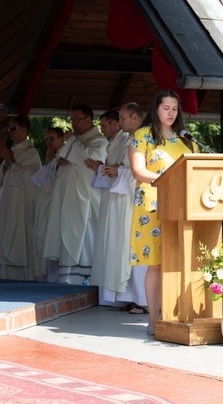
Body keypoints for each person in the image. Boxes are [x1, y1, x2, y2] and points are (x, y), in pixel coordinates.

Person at [128, 89, 197, 335]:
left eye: (174, 109)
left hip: (182, 206)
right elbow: (138, 171)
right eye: (165, 108)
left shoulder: (186, 138)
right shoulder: (142, 135)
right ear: (155, 109)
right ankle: (153, 319)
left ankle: (178, 316)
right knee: (156, 263)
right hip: (152, 204)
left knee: (180, 262)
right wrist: (166, 179)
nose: (170, 113)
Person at [89, 103, 147, 310]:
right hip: (118, 200)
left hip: (132, 203)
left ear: (133, 116)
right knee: (118, 247)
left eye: (122, 118)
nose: (120, 122)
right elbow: (123, 169)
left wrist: (115, 170)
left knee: (131, 248)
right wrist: (106, 169)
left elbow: (139, 171)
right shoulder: (127, 139)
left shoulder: (144, 137)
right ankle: (125, 296)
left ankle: (140, 298)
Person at [42, 105, 107, 284]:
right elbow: (57, 166)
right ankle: (67, 278)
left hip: (87, 204)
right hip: (67, 201)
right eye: (72, 120)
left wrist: (71, 144)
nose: (73, 124)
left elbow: (89, 161)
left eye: (76, 120)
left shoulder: (99, 141)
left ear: (88, 120)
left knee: (86, 239)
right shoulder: (74, 143)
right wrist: (58, 163)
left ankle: (86, 279)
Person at [0, 116, 42, 280]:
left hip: (22, 202)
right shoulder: (12, 149)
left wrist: (10, 160)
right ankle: (5, 275)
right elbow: (1, 176)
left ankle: (25, 277)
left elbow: (32, 177)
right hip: (8, 201)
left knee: (21, 235)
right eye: (10, 129)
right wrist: (6, 163)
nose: (10, 132)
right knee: (6, 234)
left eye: (13, 129)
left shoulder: (30, 152)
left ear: (24, 131)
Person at [86, 109, 129, 300]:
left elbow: (128, 171)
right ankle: (109, 295)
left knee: (117, 244)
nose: (102, 130)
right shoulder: (114, 143)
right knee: (107, 244)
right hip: (110, 201)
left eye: (104, 125)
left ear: (115, 124)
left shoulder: (127, 141)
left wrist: (104, 169)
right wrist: (101, 169)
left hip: (122, 203)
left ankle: (120, 295)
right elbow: (113, 172)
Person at [31, 127, 65, 280]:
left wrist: (53, 164)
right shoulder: (52, 156)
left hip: (59, 203)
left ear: (61, 139)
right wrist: (50, 162)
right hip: (47, 201)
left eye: (52, 139)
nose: (48, 142)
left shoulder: (65, 154)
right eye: (47, 139)